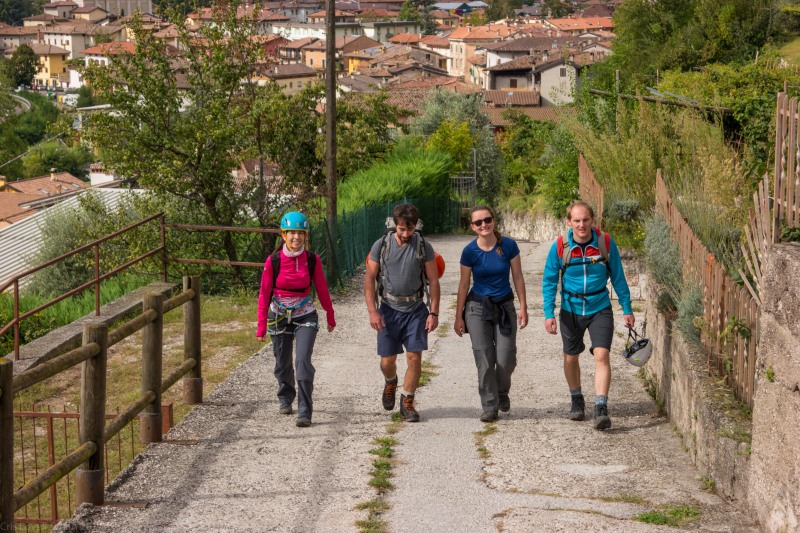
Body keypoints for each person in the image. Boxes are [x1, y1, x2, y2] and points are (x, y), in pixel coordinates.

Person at [541, 200, 634, 430]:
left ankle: (601, 407)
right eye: (577, 220)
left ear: (593, 220)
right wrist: (548, 312)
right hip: (571, 309)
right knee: (571, 357)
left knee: (601, 355)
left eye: (586, 220)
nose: (582, 225)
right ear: (569, 222)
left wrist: (627, 308)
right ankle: (576, 399)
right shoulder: (561, 246)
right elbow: (549, 281)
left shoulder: (605, 243)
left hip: (599, 306)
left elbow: (619, 278)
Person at [257, 211, 336, 428]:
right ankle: (285, 396)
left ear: (305, 235)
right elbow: (264, 293)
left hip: (305, 315)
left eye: (300, 233)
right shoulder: (273, 260)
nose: (296, 237)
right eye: (291, 232)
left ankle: (304, 411)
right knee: (282, 363)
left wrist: (330, 313)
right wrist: (261, 324)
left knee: (302, 361)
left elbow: (321, 288)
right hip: (278, 315)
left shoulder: (312, 260)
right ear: (283, 235)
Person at [364, 203, 441, 422]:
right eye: (402, 229)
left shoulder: (424, 246)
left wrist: (433, 313)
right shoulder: (382, 244)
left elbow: (434, 282)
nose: (406, 234)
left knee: (414, 359)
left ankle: (407, 401)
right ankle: (391, 381)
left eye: (410, 229)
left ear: (416, 226)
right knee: (387, 362)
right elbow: (369, 279)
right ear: (394, 226)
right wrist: (373, 311)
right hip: (388, 309)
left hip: (416, 310)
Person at [454, 206, 528, 422]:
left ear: (493, 221)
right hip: (477, 309)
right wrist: (458, 316)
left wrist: (523, 307)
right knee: (484, 359)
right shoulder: (469, 251)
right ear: (472, 227)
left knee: (506, 359)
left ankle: (502, 392)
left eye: (487, 220)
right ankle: (489, 405)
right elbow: (463, 285)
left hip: (504, 306)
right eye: (478, 223)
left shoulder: (508, 245)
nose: (483, 225)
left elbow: (518, 277)